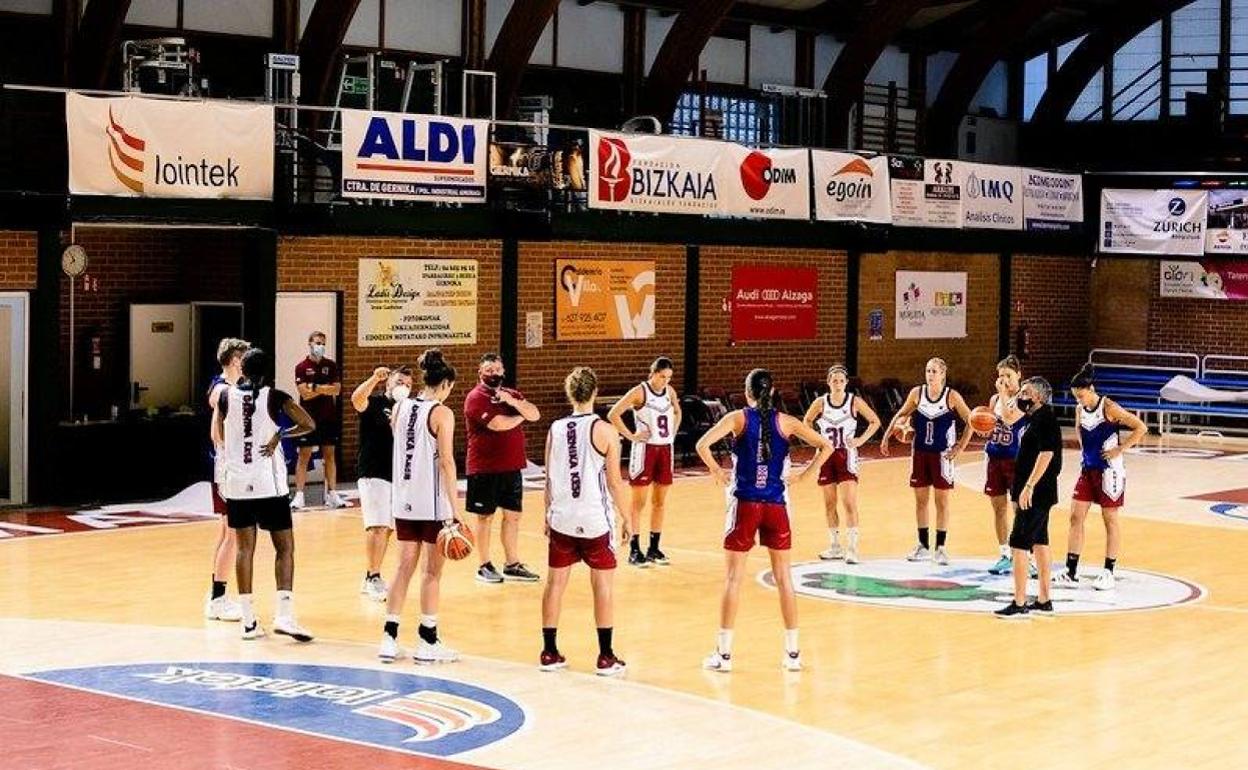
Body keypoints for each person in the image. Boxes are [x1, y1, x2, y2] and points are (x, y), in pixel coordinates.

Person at [696, 369, 833, 673]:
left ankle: (725, 654)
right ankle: (793, 653)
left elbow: (702, 445)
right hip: (776, 506)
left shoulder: (737, 418)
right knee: (784, 578)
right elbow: (827, 446)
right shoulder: (787, 422)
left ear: (747, 393)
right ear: (772, 393)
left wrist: (717, 471)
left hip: (745, 503)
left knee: (733, 579)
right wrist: (807, 474)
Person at [214, 348, 317, 642]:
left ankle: (248, 621)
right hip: (267, 484)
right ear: (267, 371)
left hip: (236, 482)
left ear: (242, 370)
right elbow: (309, 424)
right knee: (284, 548)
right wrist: (279, 435)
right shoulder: (274, 396)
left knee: (245, 549)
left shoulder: (225, 396)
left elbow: (220, 432)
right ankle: (284, 615)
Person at [540, 367, 632, 676]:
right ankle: (605, 656)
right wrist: (627, 517)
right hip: (594, 519)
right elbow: (616, 482)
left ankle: (549, 652)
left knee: (554, 585)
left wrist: (547, 512)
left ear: (570, 394)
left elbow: (549, 477)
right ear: (594, 392)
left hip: (562, 517)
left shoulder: (554, 428)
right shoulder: (606, 430)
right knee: (602, 585)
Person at [379, 350, 461, 664]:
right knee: (431, 573)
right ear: (446, 384)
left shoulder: (399, 408)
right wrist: (455, 509)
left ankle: (389, 637)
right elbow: (447, 463)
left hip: (403, 501)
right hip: (433, 504)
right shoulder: (442, 413)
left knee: (402, 569)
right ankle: (428, 640)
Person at [1057, 364, 1147, 591]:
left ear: (1091, 389)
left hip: (1110, 471)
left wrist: (1121, 448)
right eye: (1076, 397)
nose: (1079, 400)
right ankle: (1071, 570)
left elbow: (1140, 427)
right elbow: (1079, 429)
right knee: (1075, 517)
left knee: (1110, 519)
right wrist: (1083, 449)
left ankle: (1108, 571)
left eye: (1081, 395)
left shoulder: (1109, 407)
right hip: (1088, 469)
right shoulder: (1080, 409)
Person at [880, 358, 974, 565]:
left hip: (942, 455)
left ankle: (940, 547)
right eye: (927, 370)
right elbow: (901, 414)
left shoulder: (952, 396)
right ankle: (923, 545)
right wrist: (887, 435)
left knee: (941, 502)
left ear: (943, 373)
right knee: (921, 501)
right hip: (919, 453)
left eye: (934, 371)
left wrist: (960, 447)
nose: (930, 374)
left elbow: (972, 421)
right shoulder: (917, 393)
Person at [464, 353, 541, 584]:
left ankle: (512, 564)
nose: (494, 374)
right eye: (489, 370)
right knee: (485, 517)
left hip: (512, 466)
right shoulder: (475, 397)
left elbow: (535, 414)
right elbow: (498, 424)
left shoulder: (511, 395)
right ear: (480, 373)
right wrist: (520, 416)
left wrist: (515, 403)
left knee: (513, 516)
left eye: (497, 370)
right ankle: (484, 565)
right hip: (484, 468)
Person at [995, 378, 1062, 619]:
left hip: (1036, 492)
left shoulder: (1045, 419)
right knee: (1040, 542)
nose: (1021, 395)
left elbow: (1046, 454)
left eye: (1026, 392)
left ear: (1039, 398)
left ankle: (1020, 601)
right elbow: (1007, 416)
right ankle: (1044, 599)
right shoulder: (1034, 418)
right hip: (1037, 492)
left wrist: (1029, 486)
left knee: (1019, 543)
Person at [802, 364, 880, 564]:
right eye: (834, 380)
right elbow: (807, 422)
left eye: (841, 380)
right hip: (826, 455)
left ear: (846, 383)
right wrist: (815, 441)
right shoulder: (820, 402)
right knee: (829, 503)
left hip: (846, 455)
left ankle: (852, 548)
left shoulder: (854, 401)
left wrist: (860, 440)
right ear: (828, 382)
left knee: (848, 502)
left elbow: (874, 421)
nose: (837, 384)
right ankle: (835, 545)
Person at [607, 356, 681, 567]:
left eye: (668, 377)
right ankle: (634, 548)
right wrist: (631, 436)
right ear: (653, 373)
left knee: (660, 502)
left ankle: (654, 548)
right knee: (638, 502)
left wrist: (673, 432)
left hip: (666, 449)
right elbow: (614, 414)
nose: (665, 381)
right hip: (645, 450)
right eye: (662, 376)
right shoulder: (640, 391)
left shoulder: (670, 392)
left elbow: (677, 411)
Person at [350, 364, 413, 602]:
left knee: (386, 529)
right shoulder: (376, 403)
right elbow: (357, 400)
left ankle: (372, 573)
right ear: (388, 383)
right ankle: (372, 577)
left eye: (408, 384)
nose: (403, 387)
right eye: (399, 382)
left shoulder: (408, 409)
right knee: (376, 527)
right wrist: (373, 378)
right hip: (373, 472)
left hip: (396, 475)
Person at [205, 337, 250, 622]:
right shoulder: (222, 389)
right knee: (234, 533)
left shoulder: (236, 387)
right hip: (226, 470)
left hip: (230, 468)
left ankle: (215, 593)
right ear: (235, 360)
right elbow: (216, 434)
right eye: (245, 358)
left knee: (226, 533)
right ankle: (218, 599)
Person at [984, 356, 1029, 575]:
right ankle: (1004, 554)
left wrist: (1002, 394)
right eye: (1000, 376)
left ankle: (1025, 554)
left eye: (1007, 376)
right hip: (995, 457)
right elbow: (994, 426)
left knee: (1019, 509)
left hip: (1017, 460)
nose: (1003, 381)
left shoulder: (1025, 398)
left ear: (1019, 375)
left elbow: (1010, 418)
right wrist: (983, 428)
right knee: (998, 508)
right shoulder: (994, 400)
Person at [292, 331, 344, 510]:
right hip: (307, 418)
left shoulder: (331, 365)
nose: (320, 346)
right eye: (317, 342)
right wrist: (324, 388)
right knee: (303, 456)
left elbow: (336, 390)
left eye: (323, 343)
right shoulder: (301, 366)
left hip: (328, 417)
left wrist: (314, 386)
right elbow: (304, 395)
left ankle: (332, 494)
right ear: (309, 343)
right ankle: (299, 495)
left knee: (329, 455)